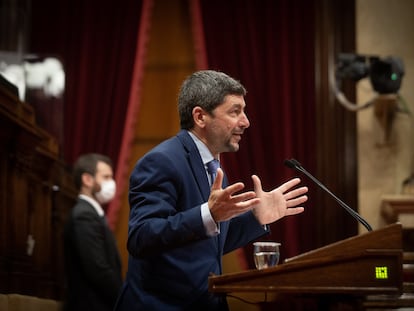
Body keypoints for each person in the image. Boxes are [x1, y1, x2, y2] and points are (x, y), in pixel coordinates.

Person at [114, 70, 308, 311]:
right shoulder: (162, 161)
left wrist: (256, 218)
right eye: (235, 111)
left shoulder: (213, 166)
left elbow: (206, 244)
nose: (246, 122)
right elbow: (141, 237)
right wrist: (208, 214)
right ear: (200, 117)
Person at [63, 153, 122, 311]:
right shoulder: (84, 215)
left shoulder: (92, 213)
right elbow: (98, 269)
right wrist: (124, 299)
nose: (111, 183)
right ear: (87, 179)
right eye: (106, 177)